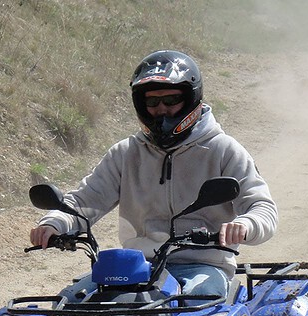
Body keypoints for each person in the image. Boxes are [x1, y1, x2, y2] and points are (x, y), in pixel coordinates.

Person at [29, 50, 278, 301]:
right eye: (152, 102)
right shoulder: (126, 153)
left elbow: (262, 207)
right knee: (65, 309)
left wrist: (245, 225)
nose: (161, 110)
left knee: (199, 313)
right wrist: (55, 222)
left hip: (202, 268)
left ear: (191, 99)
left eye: (171, 100)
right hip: (134, 268)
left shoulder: (223, 150)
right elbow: (86, 201)